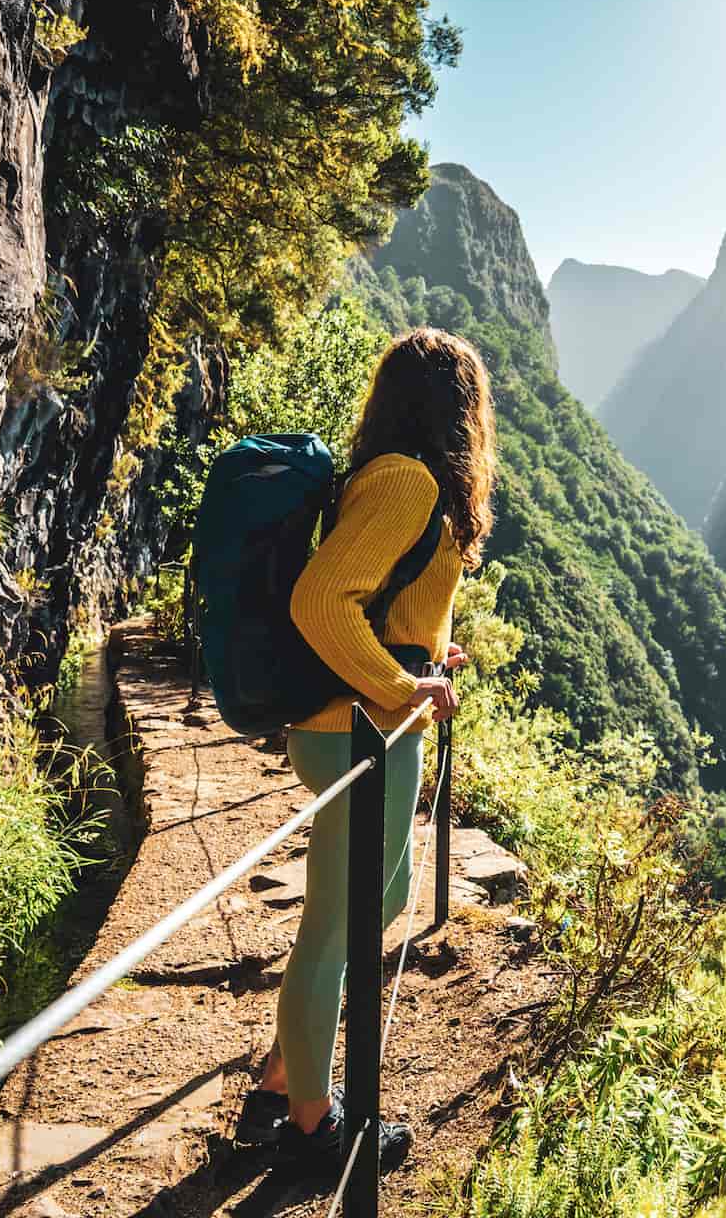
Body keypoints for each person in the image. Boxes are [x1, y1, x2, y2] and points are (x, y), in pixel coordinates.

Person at [234, 327, 496, 1169]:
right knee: (337, 924)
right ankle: (310, 1123)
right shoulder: (406, 483)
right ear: (460, 408)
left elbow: (383, 602)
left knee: (374, 907)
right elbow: (322, 602)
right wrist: (396, 686)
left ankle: (287, 1068)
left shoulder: (397, 478)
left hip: (376, 725)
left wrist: (422, 655)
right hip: (359, 732)